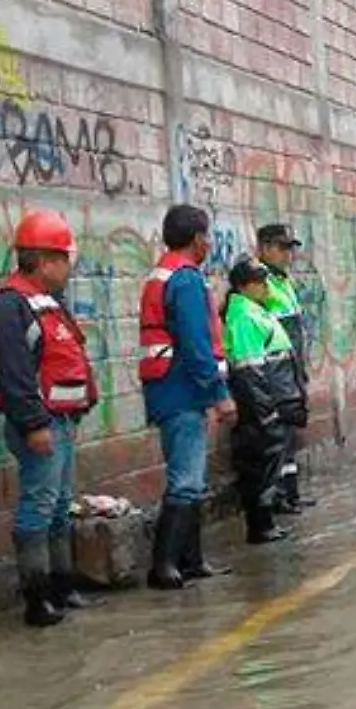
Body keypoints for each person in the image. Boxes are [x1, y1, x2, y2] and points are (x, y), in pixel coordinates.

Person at [0, 210, 99, 627]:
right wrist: (33, 425)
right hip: (40, 424)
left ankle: (62, 586)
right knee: (39, 505)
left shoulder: (47, 302)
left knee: (59, 506)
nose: (70, 267)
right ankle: (37, 598)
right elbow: (13, 373)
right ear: (47, 259)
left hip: (60, 420)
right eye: (66, 258)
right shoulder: (9, 306)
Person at [139, 204, 235, 590]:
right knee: (185, 479)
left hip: (169, 387)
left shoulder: (163, 274)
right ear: (197, 239)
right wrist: (219, 394)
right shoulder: (186, 280)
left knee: (192, 480)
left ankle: (191, 561)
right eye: (207, 236)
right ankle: (164, 567)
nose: (209, 243)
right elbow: (196, 344)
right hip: (181, 390)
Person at [222, 256, 308, 545]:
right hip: (264, 406)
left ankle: (266, 522)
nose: (266, 286)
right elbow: (249, 372)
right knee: (260, 464)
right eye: (260, 282)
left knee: (270, 462)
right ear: (244, 286)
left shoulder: (256, 309)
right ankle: (260, 526)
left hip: (275, 401)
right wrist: (265, 412)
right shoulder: (244, 316)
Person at [256, 223, 315, 511]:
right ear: (265, 248)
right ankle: (276, 495)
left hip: (292, 365)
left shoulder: (283, 280)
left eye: (289, 249)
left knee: (292, 430)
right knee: (277, 431)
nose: (287, 254)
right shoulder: (258, 280)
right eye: (281, 248)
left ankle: (291, 492)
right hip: (275, 370)